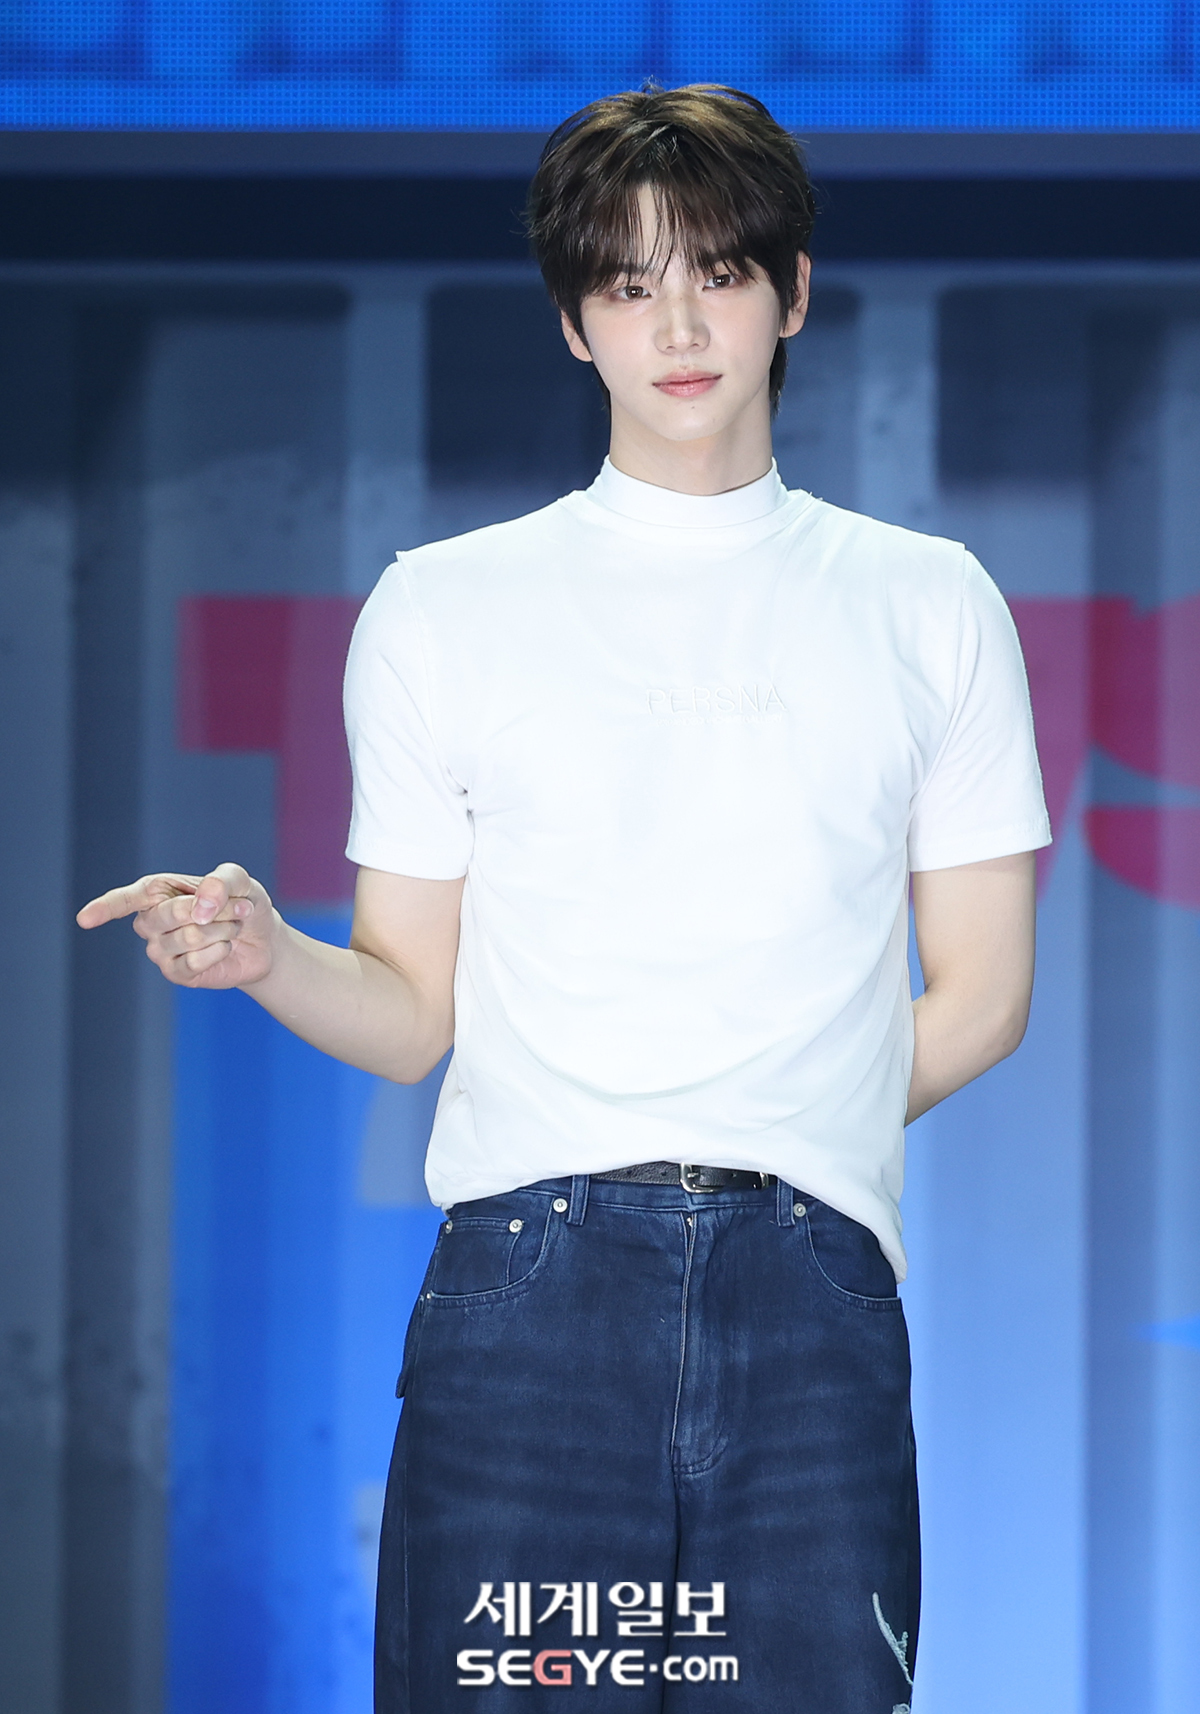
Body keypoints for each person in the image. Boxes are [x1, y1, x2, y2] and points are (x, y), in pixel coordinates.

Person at [79, 84, 1050, 1712]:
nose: (679, 325)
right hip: (530, 1290)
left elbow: (987, 991)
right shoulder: (447, 608)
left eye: (718, 273)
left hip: (812, 1288)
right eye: (628, 282)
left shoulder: (928, 604)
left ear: (793, 293)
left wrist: (776, 1106)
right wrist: (266, 954)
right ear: (572, 320)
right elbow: (412, 1011)